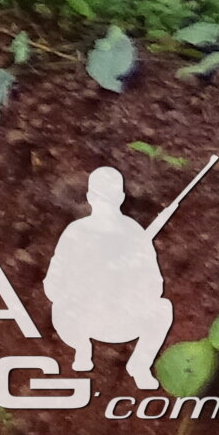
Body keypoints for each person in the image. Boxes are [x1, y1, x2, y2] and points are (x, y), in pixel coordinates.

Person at [45, 165, 179, 386]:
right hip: (83, 319)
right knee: (60, 308)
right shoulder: (76, 233)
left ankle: (140, 366)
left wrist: (127, 277)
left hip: (123, 319)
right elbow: (53, 284)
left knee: (162, 308)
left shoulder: (134, 233)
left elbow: (155, 286)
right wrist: (87, 283)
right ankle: (82, 348)